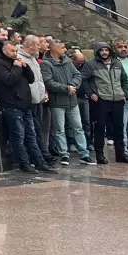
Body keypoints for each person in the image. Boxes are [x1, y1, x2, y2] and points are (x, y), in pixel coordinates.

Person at [0, 39, 51, 173]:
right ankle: (24, 163)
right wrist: (17, 67)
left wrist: (25, 66)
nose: (15, 53)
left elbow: (31, 78)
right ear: (4, 50)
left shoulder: (17, 62)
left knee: (31, 135)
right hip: (11, 104)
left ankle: (39, 162)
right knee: (19, 135)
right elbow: (9, 79)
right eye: (12, 51)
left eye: (16, 51)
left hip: (25, 104)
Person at [40, 38, 93, 166]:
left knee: (78, 127)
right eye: (62, 47)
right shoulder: (46, 64)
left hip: (72, 101)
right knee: (60, 129)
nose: (65, 50)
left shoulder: (68, 61)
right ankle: (64, 153)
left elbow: (77, 75)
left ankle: (84, 153)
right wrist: (66, 88)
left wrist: (73, 85)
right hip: (57, 102)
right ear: (55, 48)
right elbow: (48, 82)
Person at [82, 42, 128, 165]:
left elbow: (124, 79)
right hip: (101, 100)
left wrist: (123, 93)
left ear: (110, 51)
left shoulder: (117, 63)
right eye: (102, 50)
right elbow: (83, 80)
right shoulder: (91, 64)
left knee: (119, 128)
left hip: (117, 100)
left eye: (106, 50)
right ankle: (100, 156)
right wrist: (90, 94)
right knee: (100, 128)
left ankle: (121, 155)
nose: (104, 52)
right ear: (98, 51)